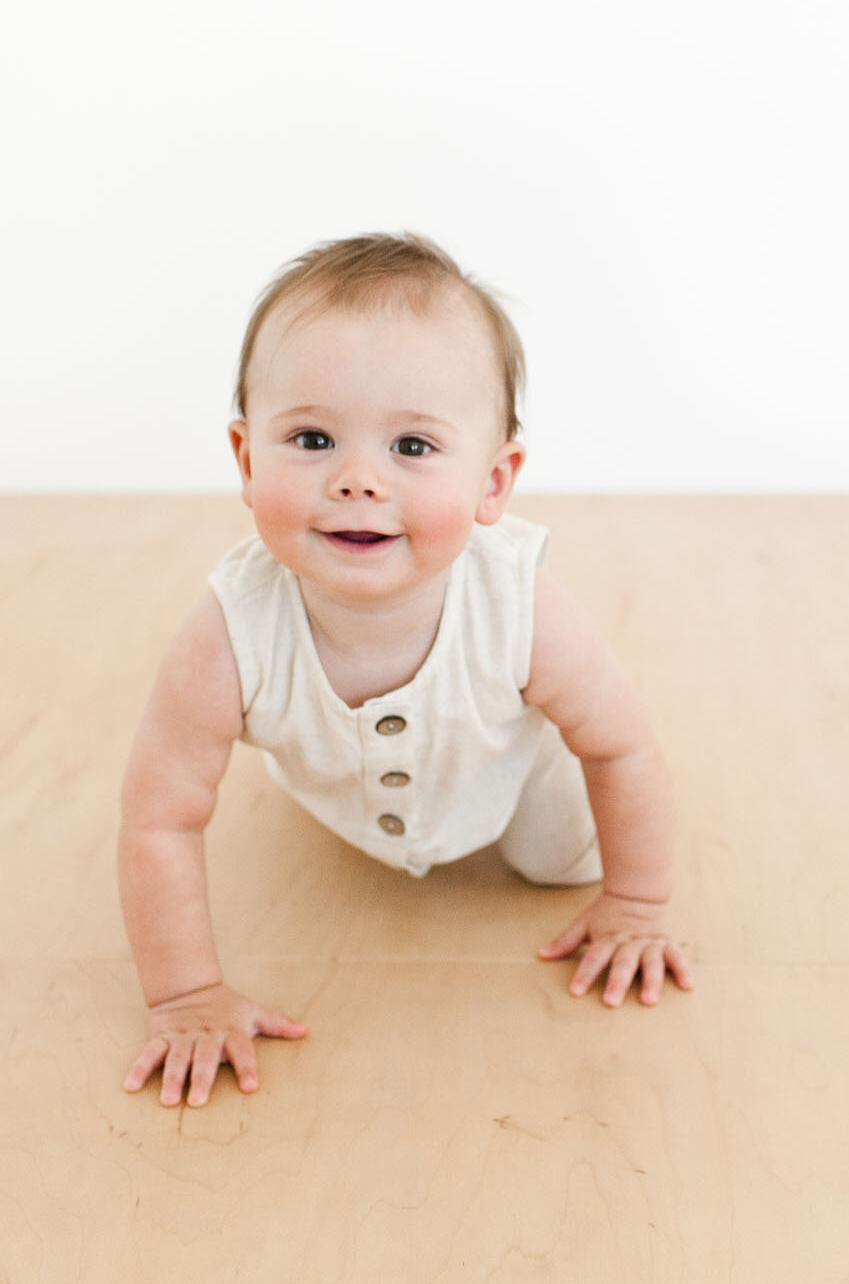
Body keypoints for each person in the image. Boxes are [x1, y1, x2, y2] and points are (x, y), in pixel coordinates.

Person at [117, 231, 696, 1108]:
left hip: (515, 775)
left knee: (555, 859)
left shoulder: (524, 610)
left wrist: (638, 902)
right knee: (321, 811)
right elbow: (159, 818)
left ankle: (558, 843)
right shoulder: (225, 636)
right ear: (245, 460)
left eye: (413, 449)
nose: (356, 480)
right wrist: (186, 996)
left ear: (494, 483)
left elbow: (622, 750)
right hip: (343, 794)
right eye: (311, 439)